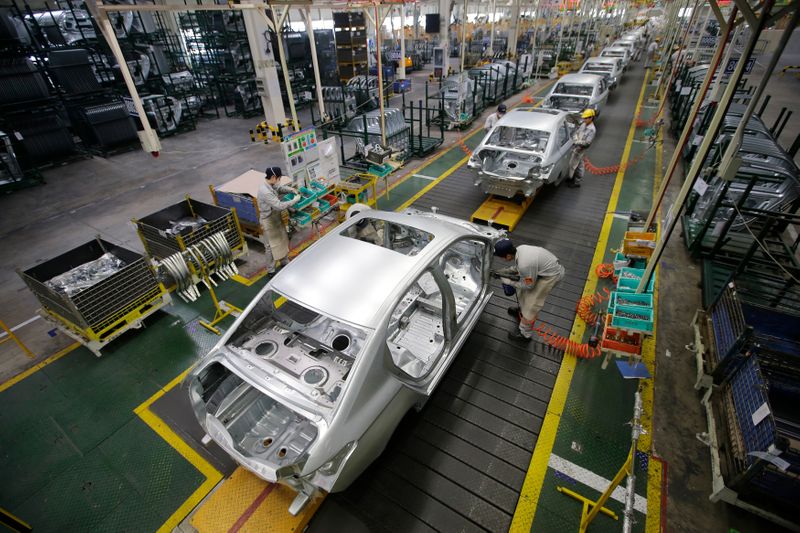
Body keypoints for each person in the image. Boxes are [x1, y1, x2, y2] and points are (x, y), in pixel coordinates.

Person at [493, 239, 565, 342]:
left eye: (501, 257)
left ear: (508, 256)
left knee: (531, 304)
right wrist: (506, 271)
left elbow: (529, 286)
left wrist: (509, 282)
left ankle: (525, 335)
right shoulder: (520, 249)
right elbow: (520, 268)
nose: (502, 259)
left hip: (551, 276)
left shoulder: (525, 264)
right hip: (540, 271)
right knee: (522, 292)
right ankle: (521, 312)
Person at [257, 166, 300, 274]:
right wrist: (294, 200)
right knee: (270, 247)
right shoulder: (265, 191)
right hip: (268, 220)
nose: (279, 181)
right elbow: (279, 206)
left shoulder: (271, 184)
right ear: (273, 177)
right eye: (279, 178)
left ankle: (284, 261)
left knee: (282, 239)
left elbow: (279, 188)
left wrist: (292, 189)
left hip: (276, 217)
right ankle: (270, 270)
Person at [567, 108, 597, 188]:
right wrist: (575, 139)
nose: (584, 119)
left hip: (580, 149)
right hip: (576, 147)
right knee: (578, 164)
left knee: (574, 165)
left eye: (586, 118)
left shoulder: (592, 130)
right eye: (584, 118)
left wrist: (577, 142)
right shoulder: (584, 124)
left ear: (591, 118)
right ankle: (573, 179)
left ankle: (575, 182)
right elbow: (577, 132)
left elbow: (587, 143)